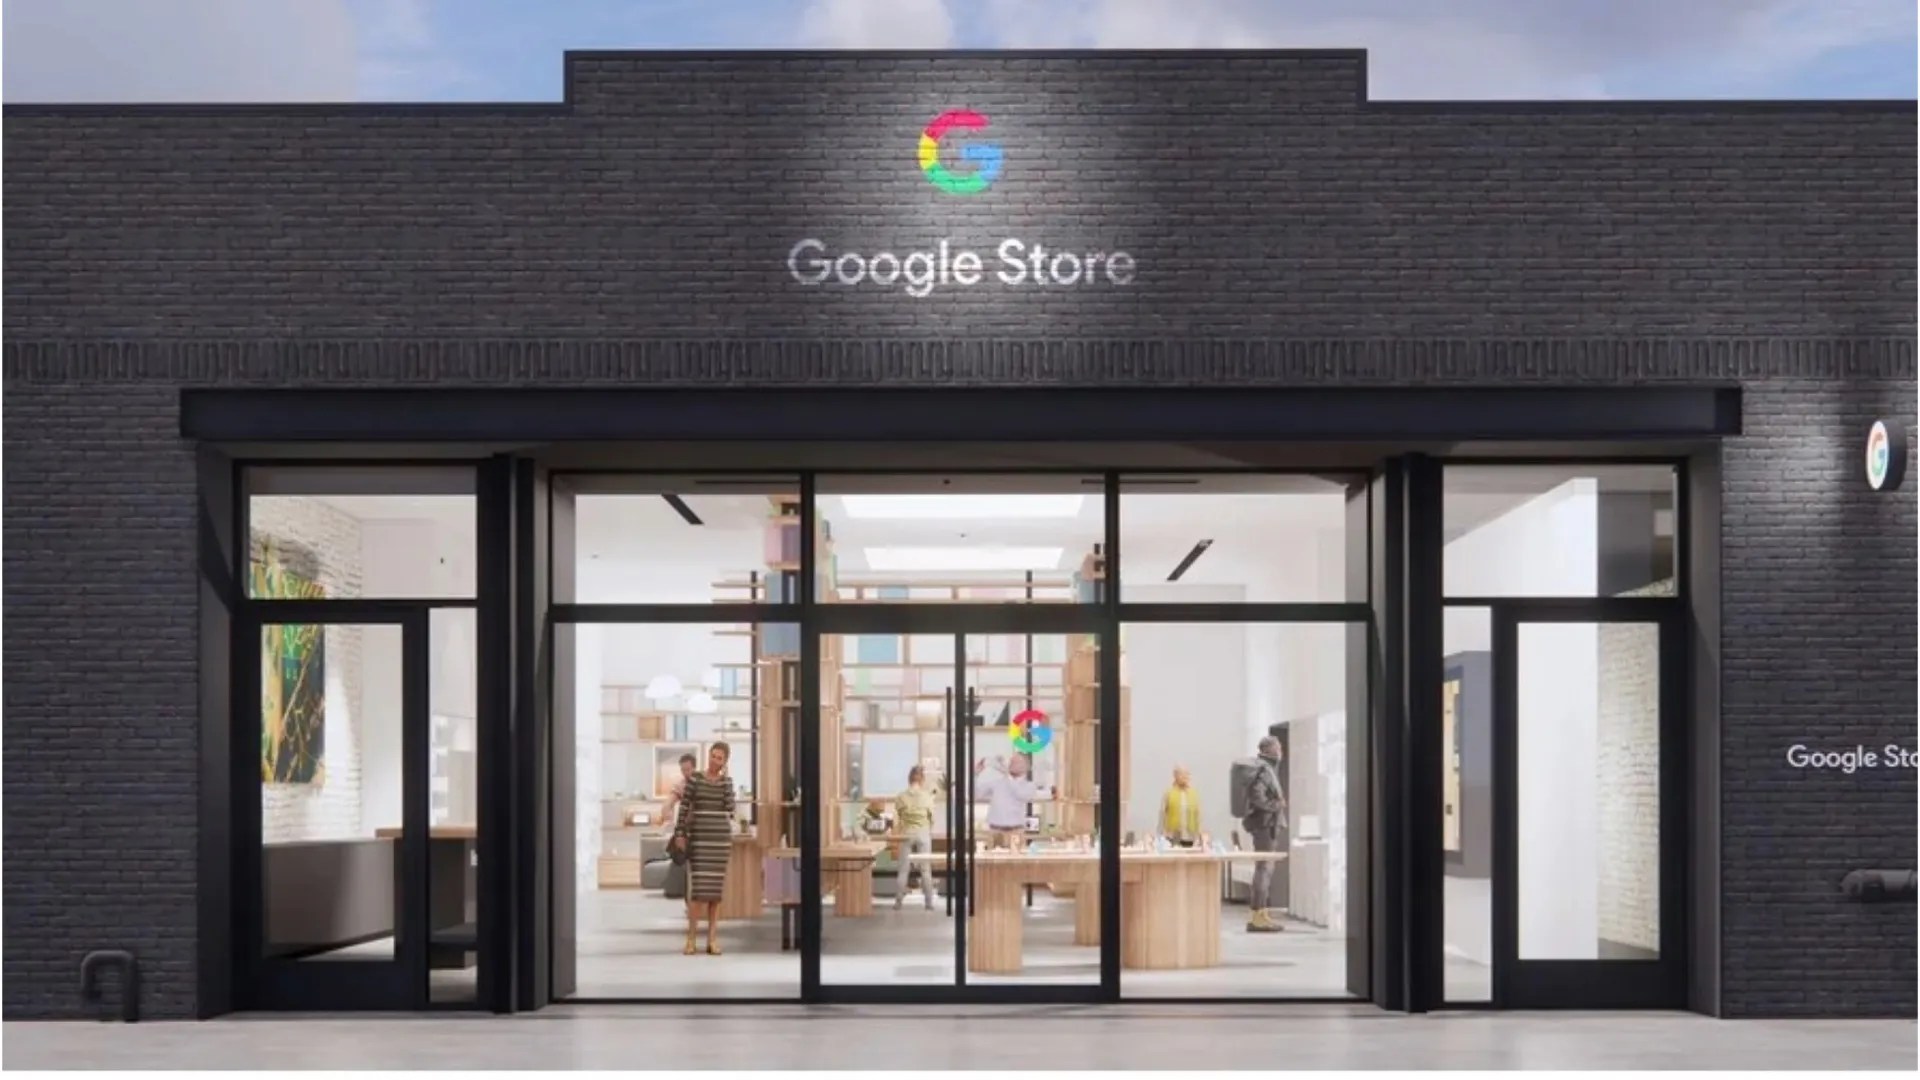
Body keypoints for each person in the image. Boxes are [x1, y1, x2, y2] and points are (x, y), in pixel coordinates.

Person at [671, 741, 736, 956]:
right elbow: (684, 807)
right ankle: (690, 938)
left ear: (725, 761)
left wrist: (727, 784)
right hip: (700, 838)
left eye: (720, 758)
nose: (715, 760)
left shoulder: (727, 782)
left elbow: (730, 808)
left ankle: (712, 939)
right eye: (713, 756)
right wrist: (680, 833)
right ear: (708, 755)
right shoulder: (695, 779)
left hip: (719, 840)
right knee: (698, 892)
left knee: (715, 894)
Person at [1241, 735, 1288, 933]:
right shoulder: (1263, 769)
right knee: (1263, 870)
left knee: (1264, 870)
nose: (1281, 751)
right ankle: (1258, 917)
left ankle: (1261, 915)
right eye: (1278, 747)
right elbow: (1257, 796)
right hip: (1265, 826)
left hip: (1265, 825)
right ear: (1271, 750)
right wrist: (1277, 805)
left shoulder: (1265, 768)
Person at [974, 754, 1044, 850]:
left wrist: (1007, 775)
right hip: (995, 831)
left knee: (1015, 859)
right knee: (992, 858)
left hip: (1015, 832)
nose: (1012, 764)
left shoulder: (1029, 786)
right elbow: (976, 794)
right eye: (1011, 762)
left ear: (1026, 767)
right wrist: (975, 774)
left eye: (1016, 762)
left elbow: (1020, 794)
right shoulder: (997, 782)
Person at [893, 765, 938, 909]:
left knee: (903, 869)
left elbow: (899, 816)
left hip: (907, 833)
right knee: (925, 869)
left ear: (909, 779)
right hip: (923, 832)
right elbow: (932, 819)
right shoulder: (927, 797)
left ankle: (898, 902)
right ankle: (929, 903)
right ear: (922, 779)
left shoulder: (901, 797)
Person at [1160, 765, 1201, 847]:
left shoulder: (1194, 794)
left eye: (1187, 774)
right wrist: (1162, 836)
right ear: (1175, 776)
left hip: (1190, 837)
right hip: (1172, 837)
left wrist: (1199, 836)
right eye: (1182, 774)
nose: (1185, 777)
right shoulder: (1169, 793)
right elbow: (1162, 815)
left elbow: (1198, 816)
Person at [660, 752, 696, 833]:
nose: (685, 773)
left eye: (688, 769)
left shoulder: (702, 782)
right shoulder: (680, 785)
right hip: (687, 826)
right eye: (683, 770)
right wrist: (668, 819)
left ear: (694, 768)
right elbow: (668, 803)